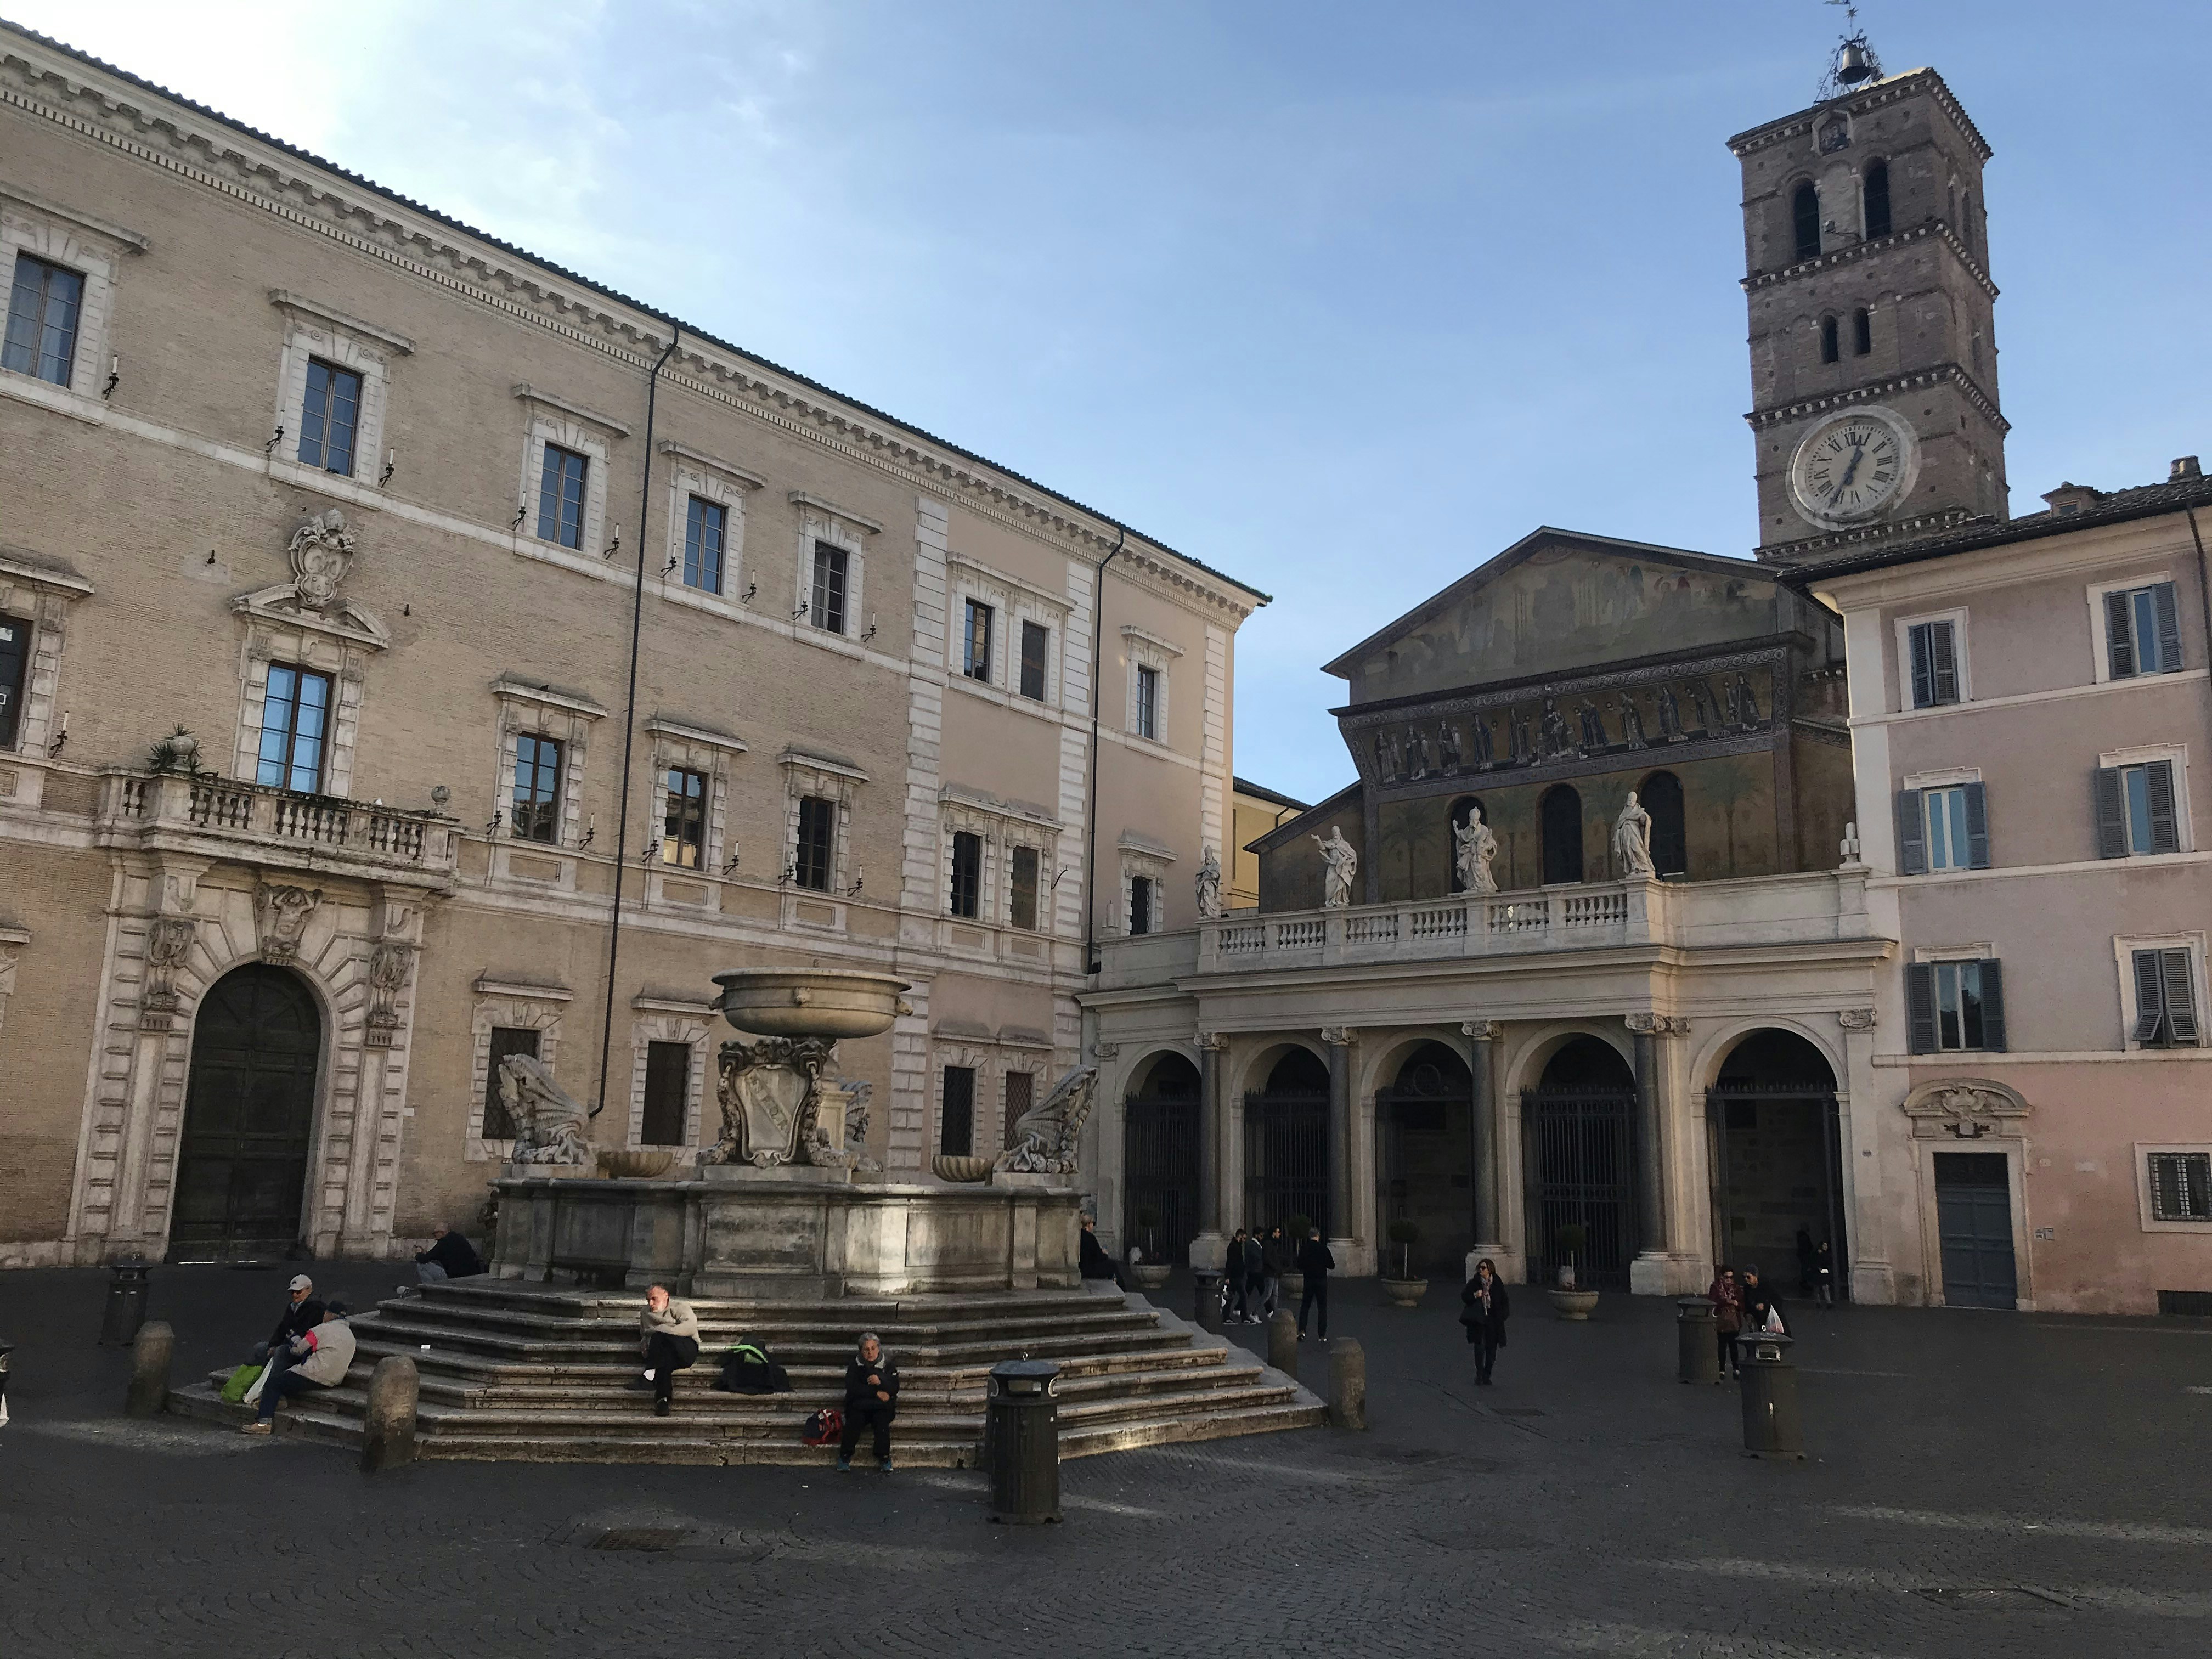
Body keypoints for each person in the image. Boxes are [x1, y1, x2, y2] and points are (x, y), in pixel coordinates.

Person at [242, 1301, 353, 1434]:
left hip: (314, 1374)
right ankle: (277, 1401)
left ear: (329, 1314)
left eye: (325, 1314)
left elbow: (299, 1350)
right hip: (334, 1378)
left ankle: (263, 1423)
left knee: (273, 1383)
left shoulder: (320, 1330)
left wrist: (294, 1340)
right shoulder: (351, 1336)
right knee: (287, 1380)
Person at [635, 1284, 699, 1417]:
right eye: (648, 1300)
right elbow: (644, 1333)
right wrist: (645, 1343)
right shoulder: (645, 1313)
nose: (651, 1303)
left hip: (685, 1348)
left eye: (654, 1299)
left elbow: (690, 1328)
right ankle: (662, 1401)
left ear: (666, 1295)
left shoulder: (679, 1308)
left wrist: (662, 1330)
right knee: (663, 1364)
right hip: (664, 1353)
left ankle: (649, 1372)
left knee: (659, 1337)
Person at [838, 1332, 900, 1472]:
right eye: (866, 1349)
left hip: (881, 1407)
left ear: (878, 1348)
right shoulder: (855, 1365)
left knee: (882, 1421)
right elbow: (852, 1388)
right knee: (854, 1421)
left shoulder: (888, 1365)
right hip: (860, 1405)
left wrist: (881, 1381)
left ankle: (884, 1457)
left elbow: (894, 1388)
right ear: (861, 1351)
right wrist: (876, 1392)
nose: (870, 1352)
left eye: (873, 1348)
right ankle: (845, 1456)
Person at [1458, 1257, 1511, 1385]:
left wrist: (1503, 1315)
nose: (1481, 1270)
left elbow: (1504, 1301)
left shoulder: (1497, 1284)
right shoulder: (1474, 1283)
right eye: (1479, 1268)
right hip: (1479, 1320)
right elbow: (1465, 1297)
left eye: (1483, 1268)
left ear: (1490, 1270)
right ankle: (1480, 1373)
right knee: (1479, 1348)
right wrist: (1475, 1296)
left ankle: (1487, 1374)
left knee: (1491, 1350)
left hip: (1493, 1320)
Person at [250, 1274, 325, 1363]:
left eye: (298, 1292)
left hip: (302, 1348)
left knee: (280, 1352)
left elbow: (304, 1332)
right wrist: (273, 1345)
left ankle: (273, 1376)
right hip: (290, 1343)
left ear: (309, 1290)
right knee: (259, 1348)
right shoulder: (293, 1306)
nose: (294, 1295)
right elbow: (283, 1327)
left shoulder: (317, 1308)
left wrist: (279, 1346)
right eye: (292, 1292)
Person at [1295, 1227, 1334, 1341]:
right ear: (1319, 1236)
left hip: (1309, 1280)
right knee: (1322, 1308)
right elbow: (1331, 1265)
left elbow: (1299, 1265)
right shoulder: (1323, 1248)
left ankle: (1302, 1331)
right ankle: (1322, 1335)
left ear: (1309, 1236)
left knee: (1305, 1306)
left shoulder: (1304, 1248)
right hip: (1321, 1280)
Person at [415, 1222, 484, 1284]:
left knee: (422, 1266)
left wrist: (419, 1253)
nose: (435, 1238)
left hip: (455, 1279)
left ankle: (430, 1289)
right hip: (472, 1276)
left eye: (435, 1234)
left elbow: (423, 1259)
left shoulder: (443, 1243)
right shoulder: (459, 1238)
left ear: (442, 1233)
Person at [1707, 1265, 1742, 1381]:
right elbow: (1712, 1302)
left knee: (1734, 1345)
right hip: (1721, 1321)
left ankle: (1736, 1369)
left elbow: (1742, 1303)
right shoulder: (1716, 1287)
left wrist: (1737, 1303)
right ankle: (1721, 1369)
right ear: (1722, 1276)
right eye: (1727, 1277)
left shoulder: (1736, 1288)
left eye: (1731, 1278)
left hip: (1733, 1321)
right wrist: (1725, 1301)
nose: (1729, 1280)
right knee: (1722, 1346)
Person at [1078, 1216, 1128, 1291]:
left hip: (1081, 1267)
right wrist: (1105, 1254)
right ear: (1088, 1224)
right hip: (1089, 1270)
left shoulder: (1079, 1236)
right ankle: (1123, 1290)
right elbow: (1099, 1257)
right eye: (1093, 1223)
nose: (1093, 1226)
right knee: (1112, 1265)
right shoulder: (1090, 1238)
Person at [1740, 1266, 1788, 1339]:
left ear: (1755, 1276)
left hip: (1771, 1318)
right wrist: (1747, 1314)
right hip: (1758, 1321)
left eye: (1748, 1277)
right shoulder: (1747, 1289)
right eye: (1744, 1277)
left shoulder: (1766, 1285)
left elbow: (1778, 1300)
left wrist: (1765, 1305)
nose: (1746, 1279)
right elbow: (1747, 1304)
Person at [1260, 1226, 1291, 1319]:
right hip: (1270, 1272)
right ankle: (1255, 1312)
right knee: (1268, 1294)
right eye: (1278, 1232)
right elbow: (1268, 1258)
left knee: (1274, 1294)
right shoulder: (1269, 1244)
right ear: (1273, 1233)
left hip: (1274, 1272)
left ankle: (1275, 1313)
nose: (1279, 1234)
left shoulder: (1273, 1243)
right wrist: (1276, 1267)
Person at [1226, 1229, 1255, 1322]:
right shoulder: (1234, 1247)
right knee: (1243, 1295)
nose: (1245, 1240)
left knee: (1231, 1296)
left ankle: (1227, 1316)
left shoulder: (1236, 1246)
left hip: (1236, 1275)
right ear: (1240, 1236)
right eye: (1244, 1238)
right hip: (1235, 1276)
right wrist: (1228, 1276)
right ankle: (1244, 1316)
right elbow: (1230, 1263)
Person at [1795, 1228, 1818, 1298]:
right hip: (1806, 1257)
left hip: (1804, 1257)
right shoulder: (1805, 1239)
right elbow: (1810, 1247)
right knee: (1807, 1270)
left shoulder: (1801, 1239)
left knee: (1805, 1270)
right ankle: (1806, 1285)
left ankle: (1805, 1284)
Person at [1814, 1240, 1837, 1307]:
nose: (1826, 1247)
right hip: (1818, 1272)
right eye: (1824, 1245)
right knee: (1818, 1288)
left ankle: (1828, 1302)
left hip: (1824, 1272)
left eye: (1826, 1245)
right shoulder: (1817, 1254)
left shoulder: (1827, 1254)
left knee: (1825, 1287)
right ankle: (1819, 1302)